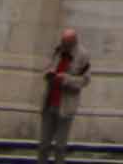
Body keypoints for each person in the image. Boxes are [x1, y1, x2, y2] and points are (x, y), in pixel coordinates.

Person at [37, 27, 91, 164]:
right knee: (43, 144)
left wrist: (66, 79)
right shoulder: (57, 51)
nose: (64, 45)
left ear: (73, 42)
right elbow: (46, 67)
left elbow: (85, 80)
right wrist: (49, 73)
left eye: (67, 43)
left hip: (65, 107)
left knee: (60, 147)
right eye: (63, 41)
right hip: (49, 103)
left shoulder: (83, 56)